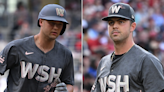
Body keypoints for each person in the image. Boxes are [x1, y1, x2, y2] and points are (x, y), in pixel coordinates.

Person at [91, 3, 164, 92]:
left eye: (121, 22)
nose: (115, 26)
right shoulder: (103, 62)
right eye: (111, 22)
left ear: (132, 26)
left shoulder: (147, 61)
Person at [0, 4, 74, 92]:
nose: (56, 27)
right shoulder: (17, 47)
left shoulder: (66, 54)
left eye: (60, 24)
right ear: (41, 22)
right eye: (52, 23)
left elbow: (69, 84)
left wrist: (66, 90)